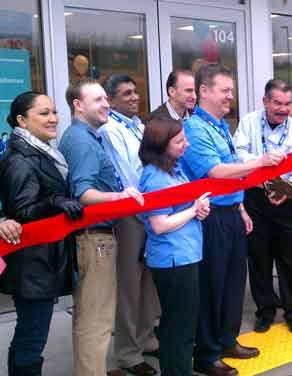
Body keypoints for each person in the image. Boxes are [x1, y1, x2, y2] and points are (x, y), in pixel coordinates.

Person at [181, 65, 276, 376]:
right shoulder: (194, 128)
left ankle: (227, 340)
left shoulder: (220, 126)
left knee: (233, 284)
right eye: (225, 91)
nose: (230, 97)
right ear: (204, 91)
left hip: (230, 214)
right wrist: (260, 163)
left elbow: (231, 175)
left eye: (231, 91)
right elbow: (215, 172)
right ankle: (207, 355)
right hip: (210, 219)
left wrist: (240, 208)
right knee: (211, 286)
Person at [59, 79, 144, 376]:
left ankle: (94, 369)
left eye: (106, 98)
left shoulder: (89, 136)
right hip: (94, 239)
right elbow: (84, 194)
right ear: (78, 105)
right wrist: (119, 196)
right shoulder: (81, 141)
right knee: (95, 320)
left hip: (98, 237)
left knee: (94, 317)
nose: (106, 104)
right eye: (98, 100)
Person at [0, 92, 83, 375]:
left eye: (54, 112)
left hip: (42, 260)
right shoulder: (20, 158)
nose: (53, 119)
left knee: (28, 335)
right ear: (22, 120)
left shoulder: (42, 151)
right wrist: (55, 202)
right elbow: (23, 210)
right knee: (32, 338)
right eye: (44, 113)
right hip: (32, 263)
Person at [234, 79, 292, 335]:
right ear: (265, 101)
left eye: (287, 104)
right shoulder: (248, 122)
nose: (282, 109)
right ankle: (265, 311)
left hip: (285, 200)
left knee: (290, 259)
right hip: (255, 198)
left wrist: (286, 191)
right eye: (277, 103)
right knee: (259, 258)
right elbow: (238, 154)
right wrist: (261, 162)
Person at [138, 116, 210, 376]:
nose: (186, 145)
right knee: (179, 325)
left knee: (180, 323)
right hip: (173, 259)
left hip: (185, 255)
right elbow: (159, 224)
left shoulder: (174, 169)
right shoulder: (155, 177)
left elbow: (181, 210)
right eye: (180, 141)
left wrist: (197, 209)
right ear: (161, 144)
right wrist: (193, 211)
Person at [101, 74, 160, 376]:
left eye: (135, 92)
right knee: (129, 284)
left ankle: (147, 338)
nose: (134, 97)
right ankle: (127, 353)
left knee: (148, 282)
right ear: (110, 100)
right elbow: (129, 173)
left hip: (150, 210)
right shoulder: (110, 129)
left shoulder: (136, 124)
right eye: (126, 94)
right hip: (130, 214)